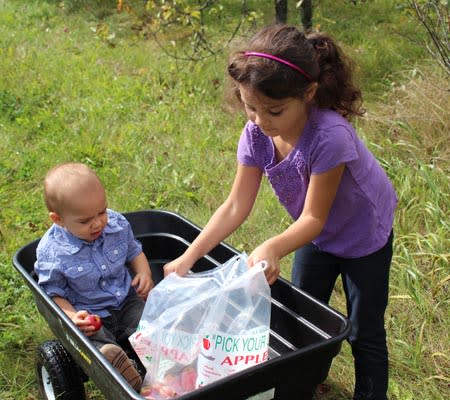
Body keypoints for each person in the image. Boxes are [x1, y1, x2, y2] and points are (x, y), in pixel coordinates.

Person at [164, 25, 397, 400]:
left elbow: (314, 217)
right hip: (316, 235)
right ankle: (307, 383)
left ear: (308, 93)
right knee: (304, 316)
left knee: (363, 330)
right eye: (250, 106)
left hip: (363, 235)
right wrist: (188, 258)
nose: (260, 120)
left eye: (274, 110)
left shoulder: (329, 136)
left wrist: (272, 247)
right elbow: (236, 205)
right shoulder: (256, 134)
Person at [35, 162, 154, 391]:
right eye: (84, 220)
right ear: (58, 219)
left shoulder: (116, 224)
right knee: (93, 341)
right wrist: (72, 317)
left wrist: (144, 272)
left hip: (126, 300)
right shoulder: (52, 252)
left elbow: (134, 250)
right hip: (90, 311)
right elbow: (53, 292)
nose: (98, 222)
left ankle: (159, 361)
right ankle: (117, 366)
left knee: (148, 324)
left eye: (102, 211)